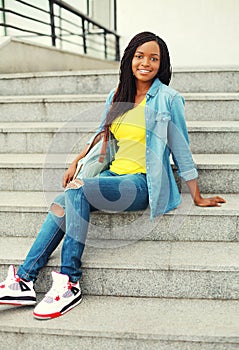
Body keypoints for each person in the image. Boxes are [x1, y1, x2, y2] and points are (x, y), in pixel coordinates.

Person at [0, 31, 226, 320]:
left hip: (142, 183)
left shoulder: (169, 99)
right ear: (130, 59)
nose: (146, 63)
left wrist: (197, 195)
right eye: (140, 56)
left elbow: (181, 149)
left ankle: (69, 281)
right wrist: (78, 160)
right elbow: (101, 134)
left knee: (77, 191)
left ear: (162, 63)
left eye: (153, 58)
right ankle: (24, 281)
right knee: (62, 200)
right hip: (111, 174)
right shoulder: (117, 94)